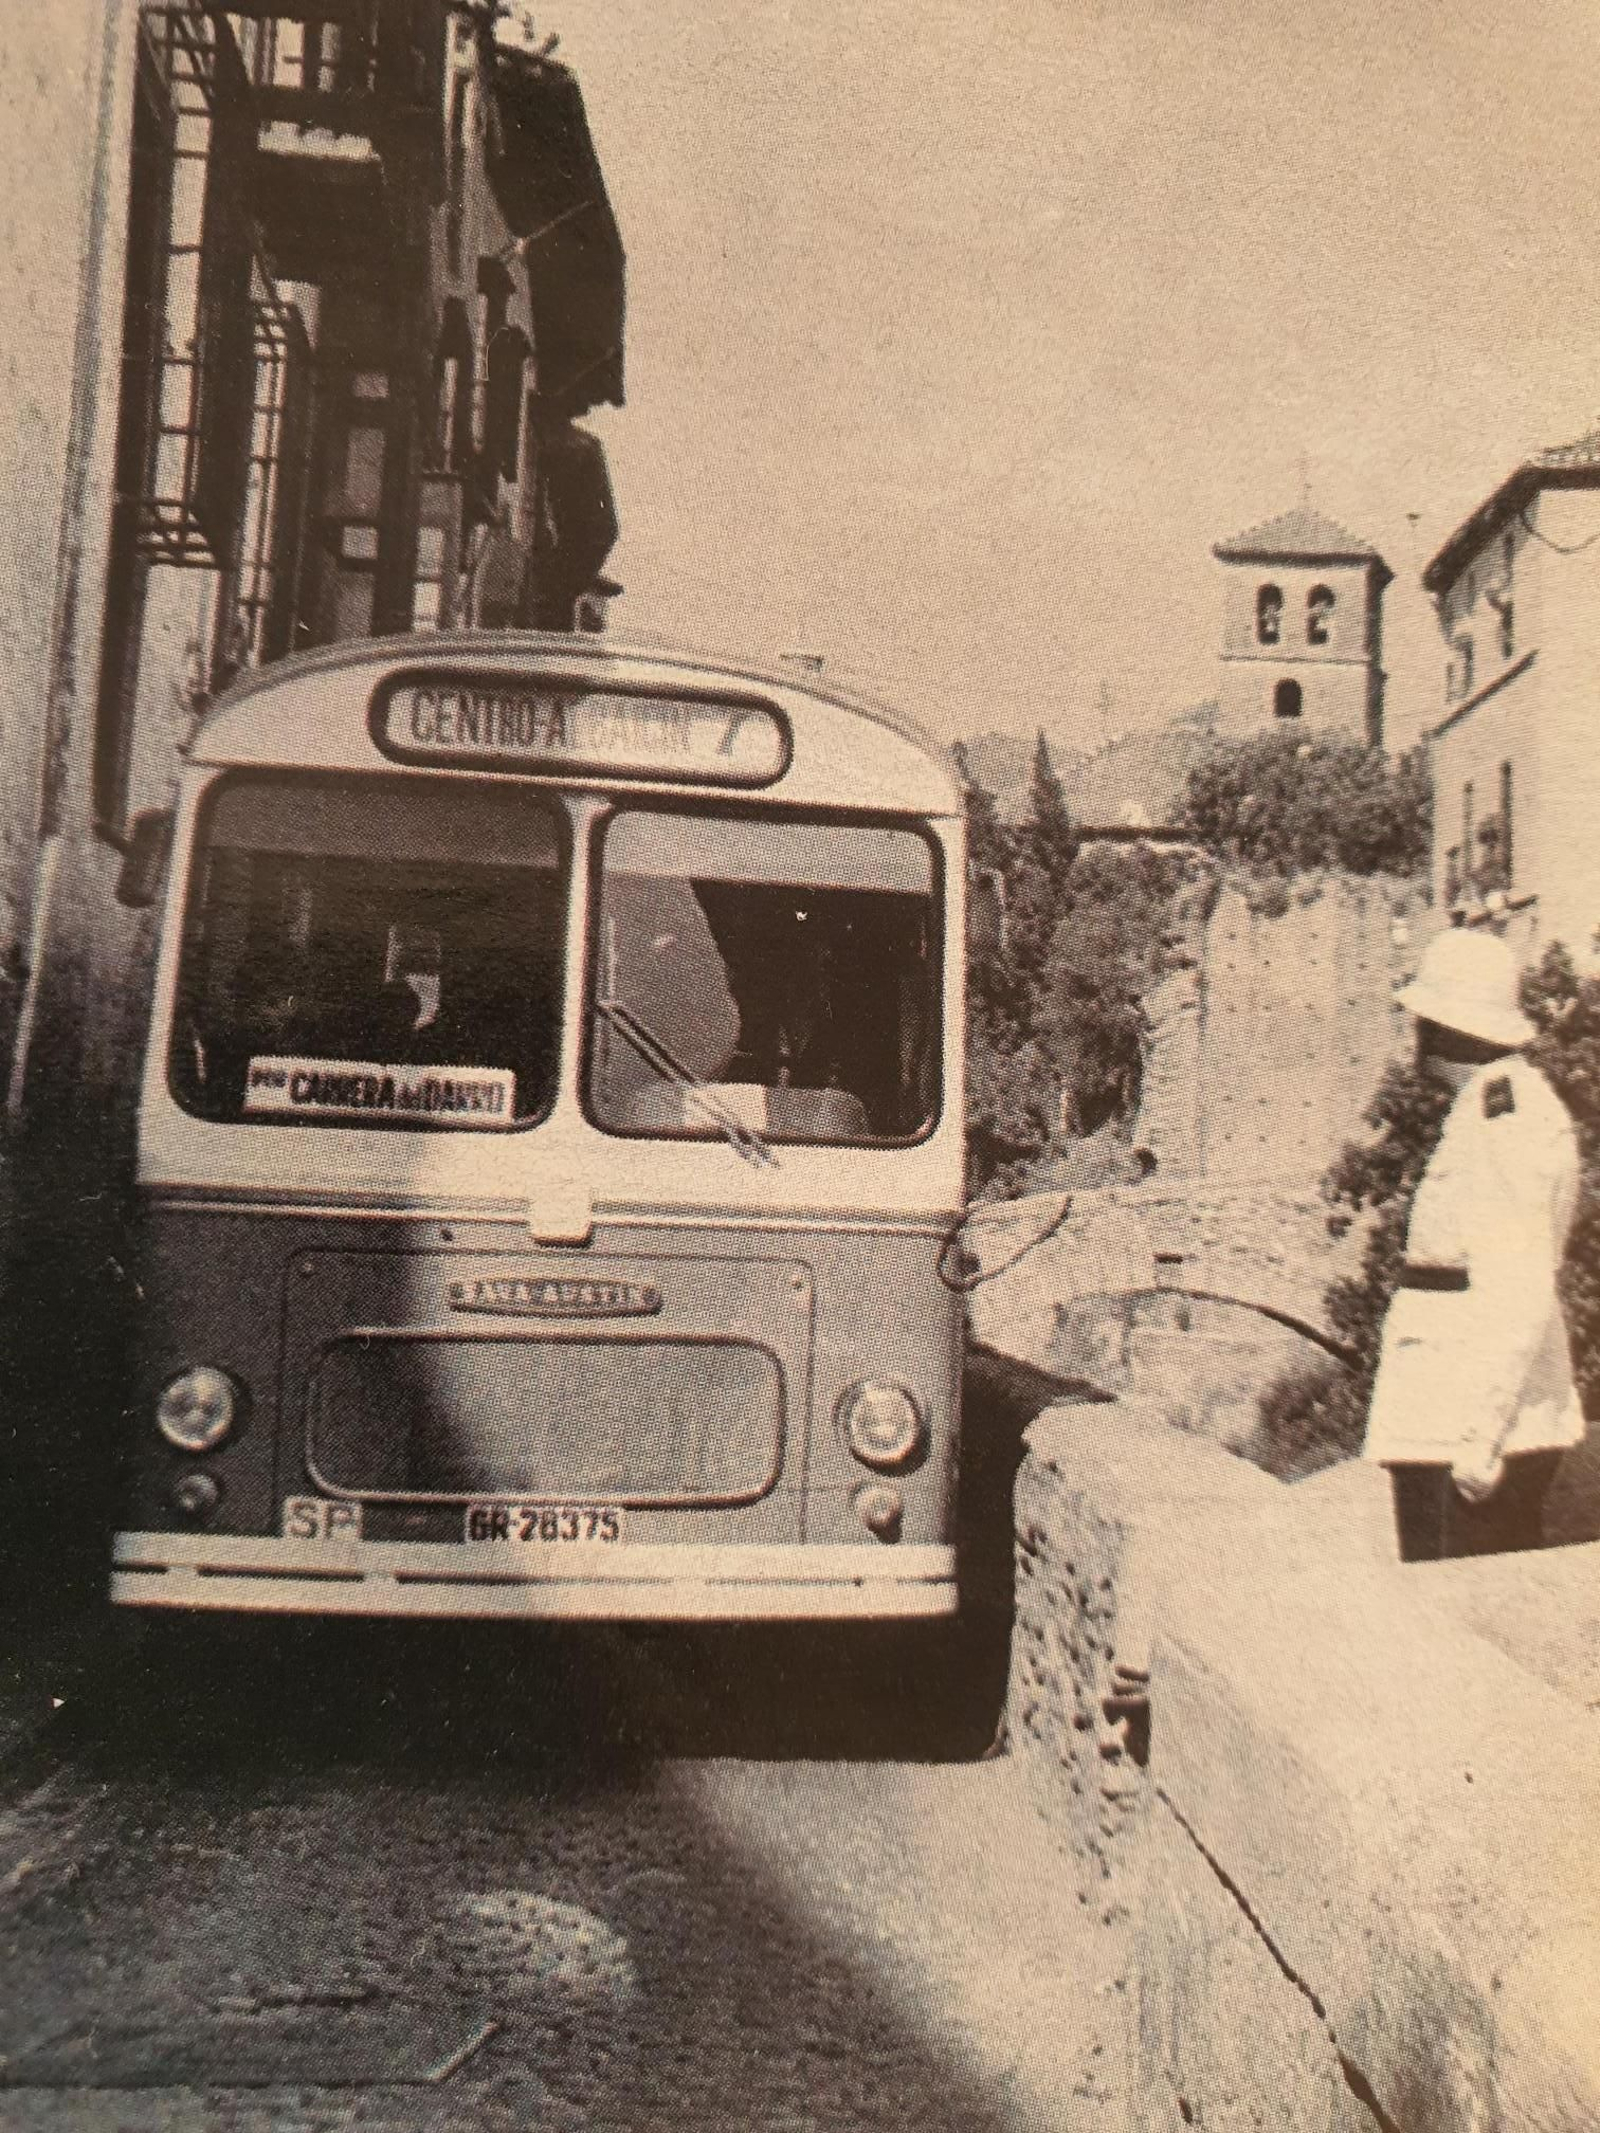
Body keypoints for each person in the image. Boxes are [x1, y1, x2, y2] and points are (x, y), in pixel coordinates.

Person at [1362, 927, 1583, 1559]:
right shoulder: (1488, 1110)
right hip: (1448, 1422)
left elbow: (1518, 1290)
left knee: (1446, 1626)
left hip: (1465, 1433)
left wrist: (1480, 1440)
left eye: (1423, 1021)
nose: (1417, 1036)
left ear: (1443, 1028)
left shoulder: (1503, 1121)